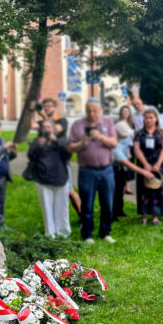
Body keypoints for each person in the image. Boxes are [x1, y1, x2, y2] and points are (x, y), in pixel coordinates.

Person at [68, 98, 117, 244]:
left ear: (100, 110)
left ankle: (105, 232)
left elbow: (114, 143)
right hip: (87, 171)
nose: (92, 113)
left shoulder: (108, 122)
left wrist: (100, 137)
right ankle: (87, 234)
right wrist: (82, 143)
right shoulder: (78, 125)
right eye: (89, 110)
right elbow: (70, 148)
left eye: (94, 110)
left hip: (106, 170)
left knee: (107, 203)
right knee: (87, 204)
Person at [30, 98, 81, 218]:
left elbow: (54, 129)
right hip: (46, 163)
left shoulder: (61, 121)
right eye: (45, 106)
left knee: (69, 191)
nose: (47, 108)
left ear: (54, 107)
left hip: (61, 162)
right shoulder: (43, 123)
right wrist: (32, 111)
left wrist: (42, 114)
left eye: (49, 106)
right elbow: (31, 125)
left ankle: (82, 216)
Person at [28, 120, 72, 237]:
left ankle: (63, 232)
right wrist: (39, 146)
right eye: (44, 127)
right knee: (47, 208)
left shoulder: (61, 140)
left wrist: (55, 141)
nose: (47, 129)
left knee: (62, 207)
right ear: (41, 130)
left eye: (49, 126)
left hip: (60, 178)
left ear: (53, 129)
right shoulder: (37, 141)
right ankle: (50, 233)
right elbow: (31, 156)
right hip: (43, 179)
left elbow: (68, 154)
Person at [134, 110, 163, 225]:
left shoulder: (161, 133)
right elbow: (137, 149)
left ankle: (155, 216)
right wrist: (146, 165)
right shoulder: (139, 133)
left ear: (156, 119)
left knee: (158, 190)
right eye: (146, 118)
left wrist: (157, 164)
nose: (148, 120)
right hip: (144, 165)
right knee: (144, 189)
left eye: (151, 118)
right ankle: (143, 216)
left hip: (159, 165)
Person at [112, 118, 155, 220]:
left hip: (121, 169)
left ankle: (118, 210)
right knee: (114, 191)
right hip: (114, 168)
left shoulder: (122, 139)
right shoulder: (113, 144)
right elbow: (126, 162)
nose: (125, 135)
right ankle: (112, 214)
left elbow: (127, 148)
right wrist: (144, 172)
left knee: (120, 190)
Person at [114, 105, 136, 195]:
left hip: (130, 147)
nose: (126, 113)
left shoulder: (131, 123)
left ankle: (127, 186)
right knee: (121, 168)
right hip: (121, 148)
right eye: (124, 111)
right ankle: (121, 186)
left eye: (127, 111)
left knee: (129, 168)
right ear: (121, 112)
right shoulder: (117, 123)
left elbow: (133, 136)